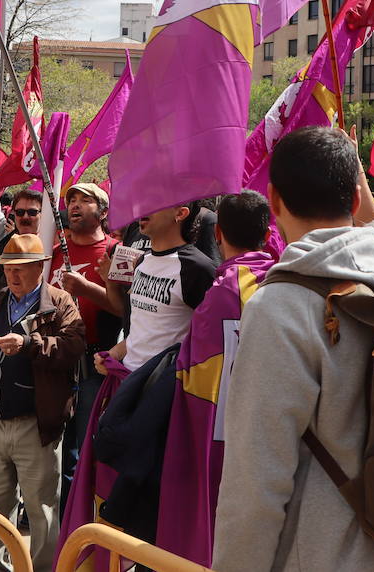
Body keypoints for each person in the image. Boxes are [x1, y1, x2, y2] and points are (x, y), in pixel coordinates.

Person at [213, 126, 374, 572]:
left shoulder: (279, 306)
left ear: (273, 201)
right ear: (353, 200)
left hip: (325, 554)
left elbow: (256, 479)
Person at [156, 190, 277, 566]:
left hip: (219, 434)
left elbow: (193, 373)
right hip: (272, 433)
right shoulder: (282, 283)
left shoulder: (221, 292)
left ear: (219, 234)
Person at [0, 233, 85, 572]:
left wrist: (30, 343)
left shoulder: (59, 302)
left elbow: (74, 346)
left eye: (21, 268)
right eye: (7, 268)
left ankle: (43, 569)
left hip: (35, 423)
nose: (13, 275)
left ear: (39, 268)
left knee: (42, 507)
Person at [46, 182, 122, 511]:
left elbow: (124, 310)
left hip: (96, 362)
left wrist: (85, 287)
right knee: (52, 445)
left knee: (84, 447)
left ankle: (77, 520)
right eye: (71, 200)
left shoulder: (117, 252)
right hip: (55, 359)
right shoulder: (54, 251)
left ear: (103, 212)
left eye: (84, 200)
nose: (74, 205)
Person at [97, 201, 216, 374]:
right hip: (129, 381)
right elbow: (141, 333)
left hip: (166, 389)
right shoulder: (141, 262)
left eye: (155, 201)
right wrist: (112, 354)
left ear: (180, 214)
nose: (142, 208)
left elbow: (212, 340)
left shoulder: (198, 269)